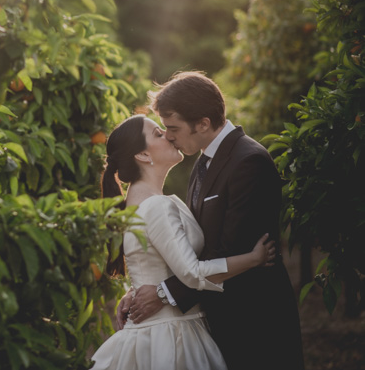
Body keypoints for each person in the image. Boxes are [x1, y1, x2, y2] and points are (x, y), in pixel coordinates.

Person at [120, 71, 304, 370]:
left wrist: (163, 294)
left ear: (203, 123)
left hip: (254, 318)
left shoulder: (248, 161)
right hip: (218, 317)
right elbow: (189, 250)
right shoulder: (204, 163)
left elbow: (230, 248)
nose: (168, 136)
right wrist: (143, 286)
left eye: (173, 128)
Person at [91, 114, 275, 370]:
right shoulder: (156, 205)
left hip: (157, 329)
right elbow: (191, 273)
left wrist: (137, 290)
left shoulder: (140, 202)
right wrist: (253, 259)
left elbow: (149, 263)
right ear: (143, 155)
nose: (167, 135)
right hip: (171, 334)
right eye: (157, 133)